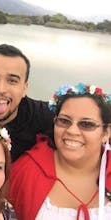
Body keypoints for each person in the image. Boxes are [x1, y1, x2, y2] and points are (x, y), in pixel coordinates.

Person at [9, 83, 111, 220]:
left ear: (106, 133)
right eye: (64, 121)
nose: (72, 131)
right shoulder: (24, 172)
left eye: (86, 124)